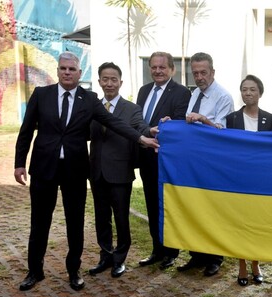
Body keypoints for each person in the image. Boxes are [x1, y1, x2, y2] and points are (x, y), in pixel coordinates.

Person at [14, 52, 158, 291]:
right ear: (58, 71)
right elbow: (26, 130)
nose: (67, 72)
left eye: (72, 69)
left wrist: (142, 138)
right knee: (39, 222)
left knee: (75, 223)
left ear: (80, 74)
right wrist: (19, 163)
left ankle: (74, 270)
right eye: (63, 69)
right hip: (43, 170)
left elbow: (115, 123)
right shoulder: (41, 94)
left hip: (75, 171)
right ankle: (34, 271)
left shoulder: (89, 99)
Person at [88, 62, 149, 278]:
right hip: (96, 172)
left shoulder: (132, 109)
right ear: (99, 82)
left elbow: (140, 127)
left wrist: (150, 131)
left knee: (121, 218)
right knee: (101, 217)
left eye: (114, 79)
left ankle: (119, 259)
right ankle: (105, 256)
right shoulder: (91, 107)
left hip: (120, 172)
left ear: (120, 82)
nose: (109, 83)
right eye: (105, 79)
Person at [176, 52, 234, 276]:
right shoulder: (194, 94)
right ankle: (196, 255)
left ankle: (215, 258)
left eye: (203, 72)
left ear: (213, 72)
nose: (199, 77)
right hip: (193, 160)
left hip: (213, 161)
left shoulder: (223, 97)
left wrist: (203, 119)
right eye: (196, 73)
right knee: (194, 208)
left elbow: (222, 132)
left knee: (212, 209)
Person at [136, 51, 191, 270]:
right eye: (154, 67)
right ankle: (157, 249)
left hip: (166, 160)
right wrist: (146, 131)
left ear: (171, 69)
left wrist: (166, 126)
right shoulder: (143, 90)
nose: (157, 71)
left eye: (162, 67)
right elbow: (137, 120)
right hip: (145, 157)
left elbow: (179, 124)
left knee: (167, 206)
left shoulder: (181, 93)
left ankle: (171, 251)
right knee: (151, 204)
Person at [225, 74, 272, 286]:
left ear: (260, 93)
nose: (248, 93)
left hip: (262, 179)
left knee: (257, 222)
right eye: (244, 89)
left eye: (252, 89)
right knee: (241, 222)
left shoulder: (271, 119)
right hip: (239, 179)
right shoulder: (232, 119)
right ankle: (242, 266)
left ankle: (256, 263)